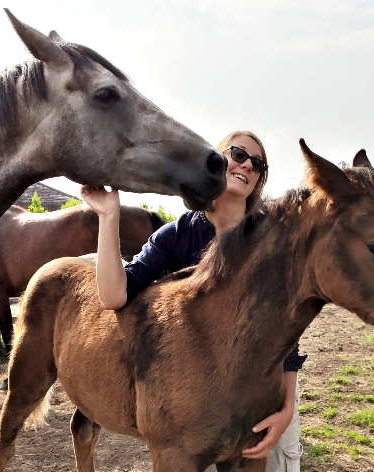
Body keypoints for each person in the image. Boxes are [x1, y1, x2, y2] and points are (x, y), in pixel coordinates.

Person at [81, 130, 305, 472]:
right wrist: (108, 217)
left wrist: (287, 408)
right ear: (217, 159)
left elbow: (286, 334)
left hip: (265, 387)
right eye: (239, 154)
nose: (248, 165)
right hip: (204, 388)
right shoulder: (177, 235)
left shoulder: (271, 242)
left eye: (258, 165)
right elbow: (114, 295)